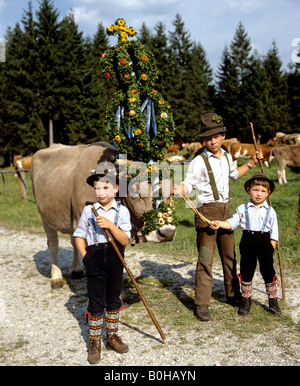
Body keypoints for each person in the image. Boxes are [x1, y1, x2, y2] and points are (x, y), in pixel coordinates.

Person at [173, 112, 263, 322]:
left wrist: (250, 162)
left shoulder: (227, 156)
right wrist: (180, 188)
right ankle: (201, 303)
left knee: (229, 255)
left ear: (223, 135)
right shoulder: (198, 161)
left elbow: (234, 175)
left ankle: (232, 294)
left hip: (226, 212)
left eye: (216, 136)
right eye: (207, 138)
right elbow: (189, 184)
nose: (212, 141)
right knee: (206, 258)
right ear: (203, 140)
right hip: (206, 214)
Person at [73, 164, 131, 364]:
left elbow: (124, 240)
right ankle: (95, 341)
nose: (100, 192)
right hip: (94, 257)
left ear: (115, 189)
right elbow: (79, 235)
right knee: (96, 301)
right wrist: (85, 257)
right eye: (97, 188)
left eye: (105, 188)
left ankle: (112, 337)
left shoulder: (122, 212)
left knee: (114, 298)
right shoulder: (88, 211)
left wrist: (111, 226)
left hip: (116, 256)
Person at [212, 172, 281, 316]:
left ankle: (273, 301)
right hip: (247, 242)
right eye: (255, 190)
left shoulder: (270, 211)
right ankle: (245, 300)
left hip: (265, 243)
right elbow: (233, 222)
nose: (258, 194)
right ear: (248, 189)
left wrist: (271, 246)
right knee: (246, 271)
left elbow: (274, 230)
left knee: (268, 271)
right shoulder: (242, 209)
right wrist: (220, 223)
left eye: (263, 191)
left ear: (268, 193)